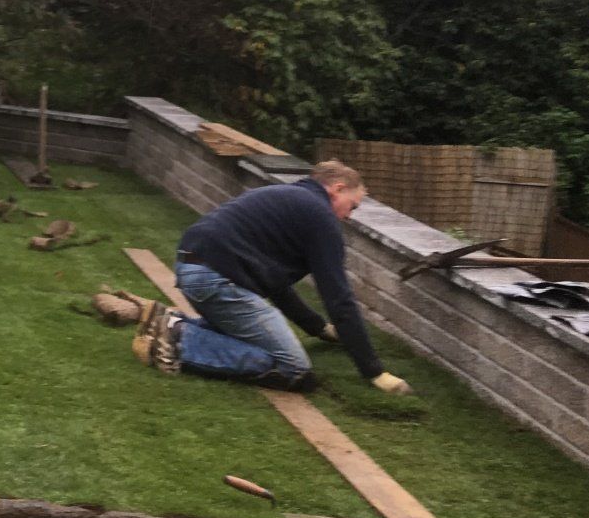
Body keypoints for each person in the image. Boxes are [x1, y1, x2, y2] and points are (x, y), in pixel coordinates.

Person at [133, 159, 412, 395]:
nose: (350, 217)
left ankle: (170, 322)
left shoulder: (288, 199)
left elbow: (277, 285)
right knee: (293, 367)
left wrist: (318, 328)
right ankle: (180, 338)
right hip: (216, 280)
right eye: (353, 206)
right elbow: (339, 298)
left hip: (192, 266)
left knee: (250, 338)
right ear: (338, 189)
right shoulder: (320, 218)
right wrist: (374, 371)